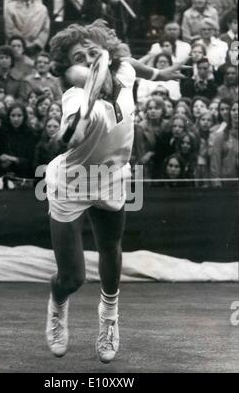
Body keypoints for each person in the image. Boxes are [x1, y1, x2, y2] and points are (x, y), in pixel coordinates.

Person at [42, 19, 188, 363]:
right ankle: (57, 305)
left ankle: (109, 319)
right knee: (73, 276)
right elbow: (72, 133)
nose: (91, 56)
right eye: (80, 55)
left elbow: (128, 64)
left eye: (94, 50)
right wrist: (76, 126)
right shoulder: (75, 95)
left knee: (111, 248)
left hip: (112, 177)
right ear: (71, 68)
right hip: (73, 182)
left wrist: (159, 73)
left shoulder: (119, 70)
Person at [210, 100, 238, 187]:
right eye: (233, 110)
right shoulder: (221, 136)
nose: (236, 112)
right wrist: (217, 184)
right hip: (227, 186)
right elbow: (215, 163)